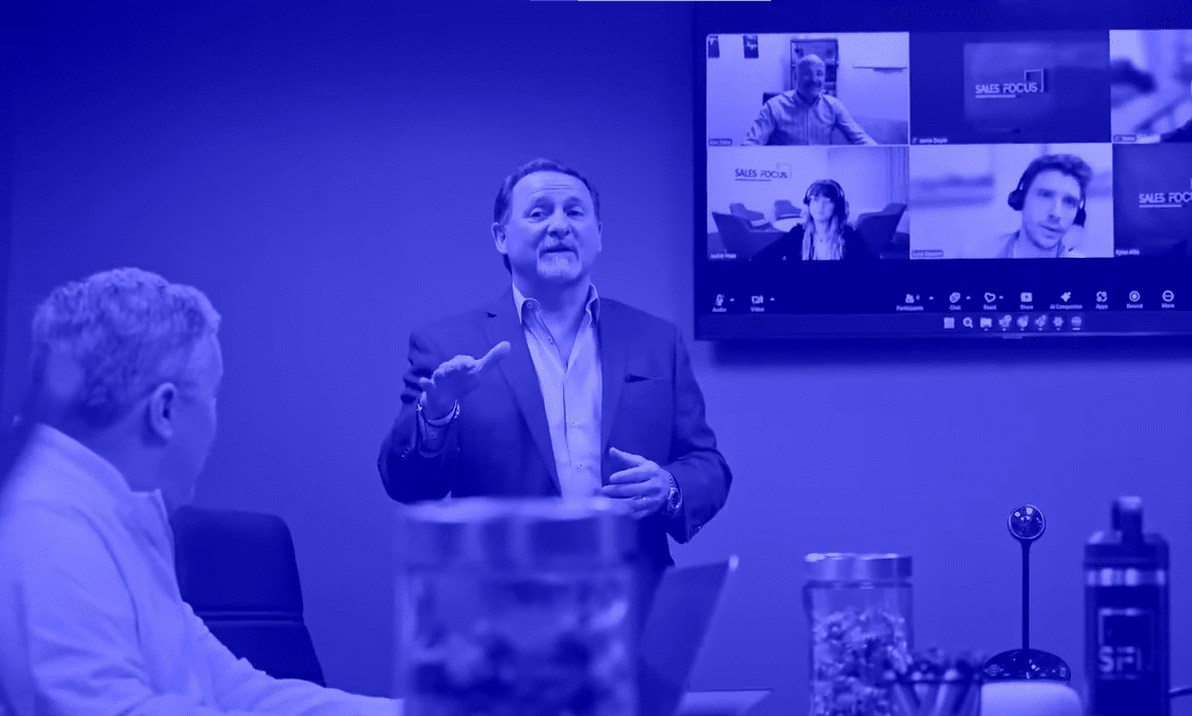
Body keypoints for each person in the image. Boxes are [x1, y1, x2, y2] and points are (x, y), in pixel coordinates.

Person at [0, 268, 399, 716]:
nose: (214, 421)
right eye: (212, 398)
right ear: (164, 411)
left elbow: (236, 692)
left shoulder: (122, 511)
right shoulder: (44, 532)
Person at [377, 158, 732, 605]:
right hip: (501, 612)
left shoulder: (657, 340)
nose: (560, 226)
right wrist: (435, 416)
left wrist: (669, 487)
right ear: (501, 237)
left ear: (598, 234)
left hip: (633, 605)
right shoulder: (446, 345)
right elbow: (406, 485)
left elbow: (707, 464)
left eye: (575, 212)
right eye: (539, 213)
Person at [969, 154, 1093, 259]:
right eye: (1045, 196)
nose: (1056, 214)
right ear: (1022, 199)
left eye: (1070, 202)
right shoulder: (978, 257)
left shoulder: (1084, 270)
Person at [741, 54, 876, 146]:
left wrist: (881, 155)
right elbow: (751, 143)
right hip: (786, 169)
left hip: (821, 168)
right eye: (807, 73)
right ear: (795, 76)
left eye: (819, 74)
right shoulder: (773, 107)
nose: (814, 79)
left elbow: (859, 137)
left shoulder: (833, 105)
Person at [751, 179, 871, 262]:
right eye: (815, 200)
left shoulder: (849, 235)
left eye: (828, 201)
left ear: (837, 207)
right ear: (809, 204)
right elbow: (761, 259)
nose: (821, 206)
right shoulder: (797, 234)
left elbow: (866, 271)